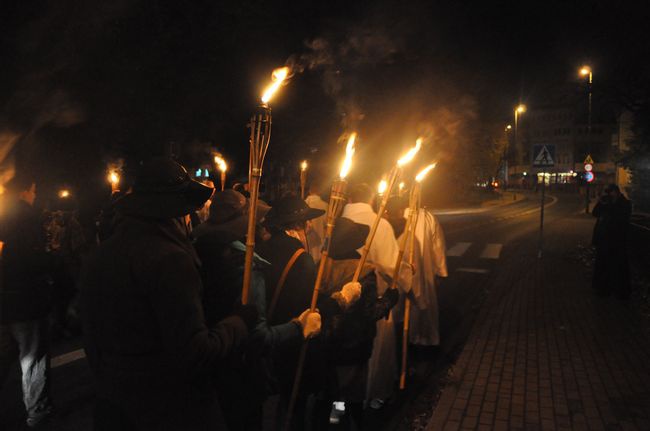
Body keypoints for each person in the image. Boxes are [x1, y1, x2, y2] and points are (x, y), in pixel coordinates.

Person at [79, 157, 257, 430]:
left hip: (114, 404)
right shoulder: (170, 260)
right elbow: (193, 352)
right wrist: (239, 322)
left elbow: (91, 340)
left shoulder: (100, 255)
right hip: (167, 408)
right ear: (177, 213)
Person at [193, 189, 321, 430]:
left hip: (208, 373)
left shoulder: (198, 252)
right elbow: (258, 336)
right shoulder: (246, 269)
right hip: (240, 373)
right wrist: (298, 327)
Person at [315, 217, 399, 430]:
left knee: (331, 392)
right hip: (353, 345)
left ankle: (331, 423)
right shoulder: (362, 271)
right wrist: (390, 298)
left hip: (325, 343)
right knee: (349, 394)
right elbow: (370, 312)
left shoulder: (321, 266)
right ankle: (345, 425)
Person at [256, 196, 328, 429]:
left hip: (267, 335)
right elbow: (309, 303)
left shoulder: (261, 249)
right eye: (305, 222)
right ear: (298, 225)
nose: (308, 227)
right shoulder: (301, 259)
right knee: (295, 402)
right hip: (293, 340)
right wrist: (338, 300)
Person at [0, 175, 55, 428]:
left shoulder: (3, 212)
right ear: (25, 190)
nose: (35, 194)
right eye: (33, 189)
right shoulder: (27, 218)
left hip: (4, 301)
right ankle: (38, 413)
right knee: (32, 359)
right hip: (25, 300)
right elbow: (32, 260)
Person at [341, 183, 400, 406]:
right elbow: (390, 267)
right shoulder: (380, 225)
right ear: (372, 199)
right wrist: (396, 291)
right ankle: (364, 405)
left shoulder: (335, 223)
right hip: (368, 316)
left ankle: (337, 417)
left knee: (339, 388)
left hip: (336, 319)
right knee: (362, 375)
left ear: (348, 200)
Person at [592, 184, 632, 299]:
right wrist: (601, 202)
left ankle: (620, 290)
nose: (609, 195)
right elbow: (595, 213)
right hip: (604, 240)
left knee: (618, 266)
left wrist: (607, 205)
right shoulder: (607, 202)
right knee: (603, 265)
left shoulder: (624, 203)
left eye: (611, 193)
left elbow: (620, 218)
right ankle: (603, 288)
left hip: (617, 241)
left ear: (616, 192)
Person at [305, 179, 329, 263]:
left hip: (305, 245)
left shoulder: (303, 204)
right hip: (320, 246)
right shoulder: (326, 206)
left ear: (309, 191)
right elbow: (328, 228)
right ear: (320, 191)